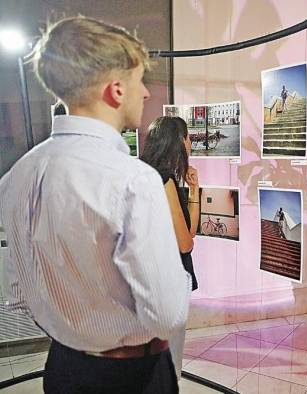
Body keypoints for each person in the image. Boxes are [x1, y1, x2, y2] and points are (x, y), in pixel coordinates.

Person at [0, 16, 189, 393]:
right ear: (116, 90)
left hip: (62, 368)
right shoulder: (133, 180)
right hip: (132, 376)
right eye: (140, 82)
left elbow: (17, 292)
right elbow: (168, 314)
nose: (147, 94)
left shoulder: (16, 176)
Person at [140, 116, 200, 379]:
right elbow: (186, 243)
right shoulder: (164, 181)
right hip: (169, 282)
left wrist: (194, 190)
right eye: (188, 138)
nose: (190, 144)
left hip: (147, 279)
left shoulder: (142, 174)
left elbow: (189, 233)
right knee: (170, 362)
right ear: (179, 141)